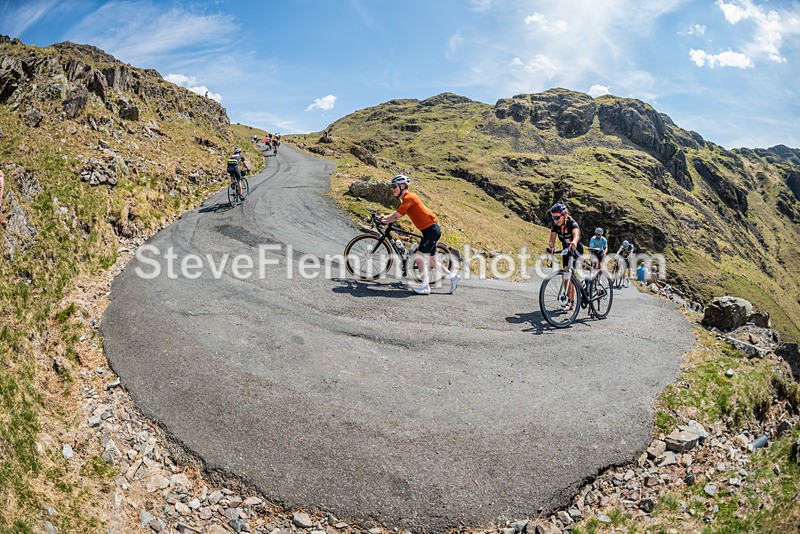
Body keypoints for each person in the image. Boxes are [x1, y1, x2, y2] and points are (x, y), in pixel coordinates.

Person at [378, 174, 460, 295]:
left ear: (403, 186)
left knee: (418, 258)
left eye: (394, 186)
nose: (392, 189)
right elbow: (398, 213)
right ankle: (453, 277)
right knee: (432, 262)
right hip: (430, 230)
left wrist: (386, 221)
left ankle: (425, 287)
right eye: (392, 186)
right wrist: (385, 218)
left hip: (431, 231)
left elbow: (396, 216)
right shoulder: (406, 199)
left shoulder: (409, 197)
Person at [546, 203, 583, 311]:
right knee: (566, 276)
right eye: (553, 217)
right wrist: (551, 248)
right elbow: (552, 239)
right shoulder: (555, 226)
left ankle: (583, 285)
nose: (555, 220)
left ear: (565, 215)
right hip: (566, 251)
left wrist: (574, 242)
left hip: (576, 250)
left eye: (557, 217)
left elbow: (576, 234)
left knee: (573, 277)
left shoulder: (572, 223)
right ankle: (570, 301)